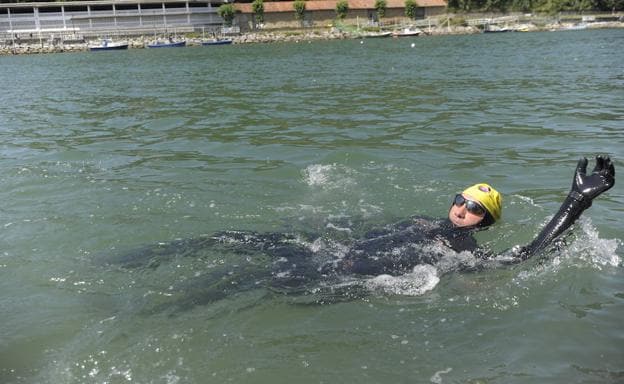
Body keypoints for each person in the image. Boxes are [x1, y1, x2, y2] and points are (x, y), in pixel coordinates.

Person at [108, 155, 615, 305]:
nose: (462, 210)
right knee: (228, 237)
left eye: (475, 209)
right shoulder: (423, 221)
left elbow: (523, 258)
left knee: (241, 283)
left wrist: (573, 205)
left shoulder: (459, 247)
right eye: (461, 199)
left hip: (343, 274)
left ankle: (153, 308)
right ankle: (128, 262)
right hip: (328, 248)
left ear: (486, 223)